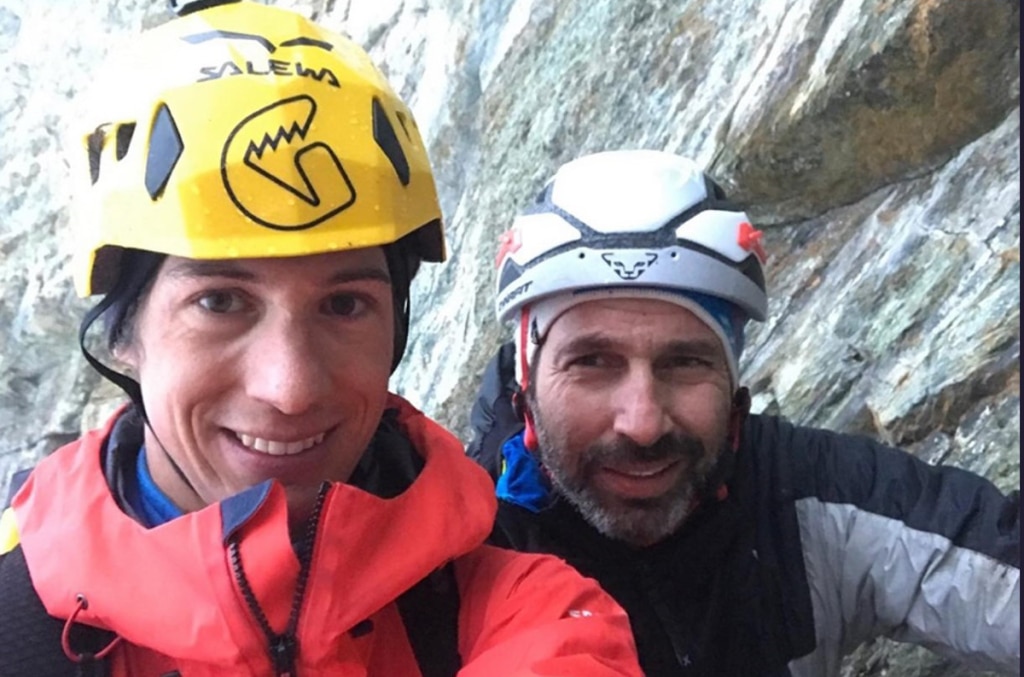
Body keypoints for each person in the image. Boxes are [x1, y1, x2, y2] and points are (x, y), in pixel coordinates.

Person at [0, 3, 645, 675]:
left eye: (344, 304)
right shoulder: (18, 628)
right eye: (220, 302)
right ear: (123, 332)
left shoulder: (520, 609)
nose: (291, 388)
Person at [469, 149, 1021, 676]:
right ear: (528, 385)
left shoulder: (805, 498)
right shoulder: (468, 557)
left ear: (734, 389)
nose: (643, 422)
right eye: (592, 362)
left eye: (685, 362)